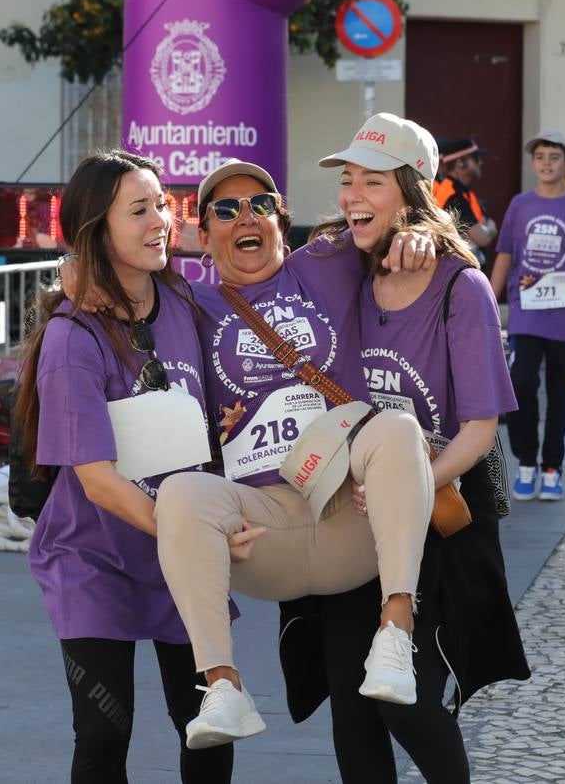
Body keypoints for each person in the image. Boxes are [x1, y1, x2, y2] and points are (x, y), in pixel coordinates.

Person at [151, 146, 439, 750]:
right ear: (202, 237)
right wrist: (74, 270)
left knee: (393, 428)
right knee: (179, 495)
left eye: (260, 205)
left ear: (283, 220)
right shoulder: (185, 303)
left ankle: (397, 630)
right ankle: (223, 686)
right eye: (225, 211)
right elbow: (113, 277)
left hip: (355, 513)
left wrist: (417, 234)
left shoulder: (326, 262)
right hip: (267, 530)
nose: (246, 218)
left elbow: (384, 210)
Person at [284, 114, 529, 783]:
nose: (351, 194)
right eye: (347, 180)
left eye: (372, 181)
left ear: (412, 189)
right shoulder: (345, 266)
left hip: (437, 516)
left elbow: (481, 427)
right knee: (352, 707)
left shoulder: (460, 287)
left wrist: (410, 492)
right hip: (349, 513)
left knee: (406, 700)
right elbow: (251, 272)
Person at [12, 151, 244, 783]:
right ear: (96, 231)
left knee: (209, 725)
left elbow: (271, 299)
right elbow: (99, 482)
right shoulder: (72, 337)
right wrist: (197, 535)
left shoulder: (187, 302)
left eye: (161, 206)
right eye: (139, 210)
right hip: (95, 557)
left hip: (179, 554)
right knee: (103, 733)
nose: (160, 222)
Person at [491, 129, 565, 502]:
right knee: (520, 383)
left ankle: (552, 467)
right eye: (539, 157)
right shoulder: (520, 205)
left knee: (561, 392)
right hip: (526, 313)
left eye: (554, 157)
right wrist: (488, 303)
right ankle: (526, 461)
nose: (546, 163)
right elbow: (505, 254)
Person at [433, 137, 496, 266]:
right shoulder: (454, 196)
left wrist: (486, 230)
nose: (481, 163)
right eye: (476, 158)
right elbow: (482, 238)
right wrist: (490, 228)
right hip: (453, 269)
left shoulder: (462, 191)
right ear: (461, 163)